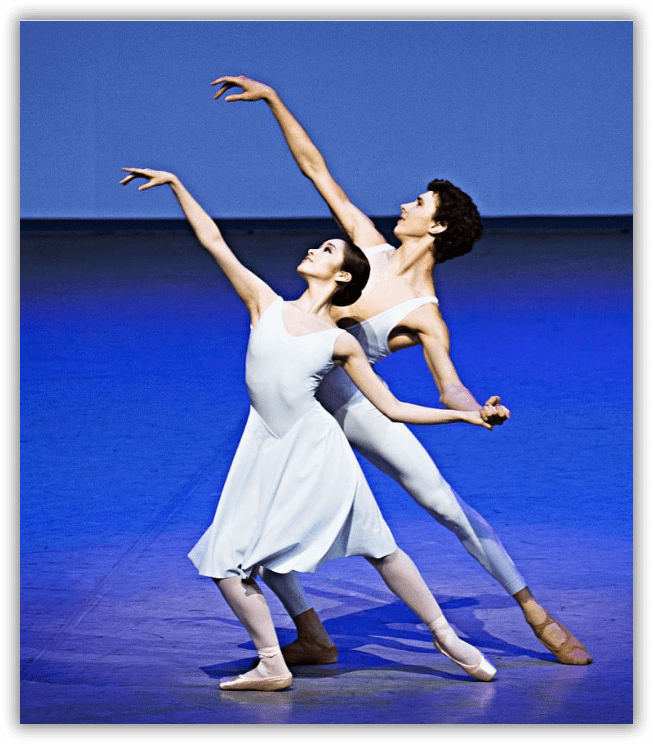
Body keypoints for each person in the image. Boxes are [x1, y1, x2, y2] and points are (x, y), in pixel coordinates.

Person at [209, 75, 593, 666]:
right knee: (262, 518)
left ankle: (534, 611)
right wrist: (274, 101)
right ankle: (312, 635)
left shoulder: (425, 315)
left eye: (419, 204)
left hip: (354, 402)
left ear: (435, 227)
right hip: (295, 404)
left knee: (443, 504)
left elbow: (450, 385)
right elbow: (315, 169)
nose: (406, 205)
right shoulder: (367, 245)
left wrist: (476, 411)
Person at [120, 166, 498, 691]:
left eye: (327, 249)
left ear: (342, 277)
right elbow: (214, 241)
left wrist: (468, 414)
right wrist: (178, 185)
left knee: (377, 547)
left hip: (318, 452)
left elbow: (392, 408)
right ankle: (279, 658)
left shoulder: (340, 343)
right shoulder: (264, 304)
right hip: (263, 450)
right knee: (237, 559)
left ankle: (444, 637)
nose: (315, 249)